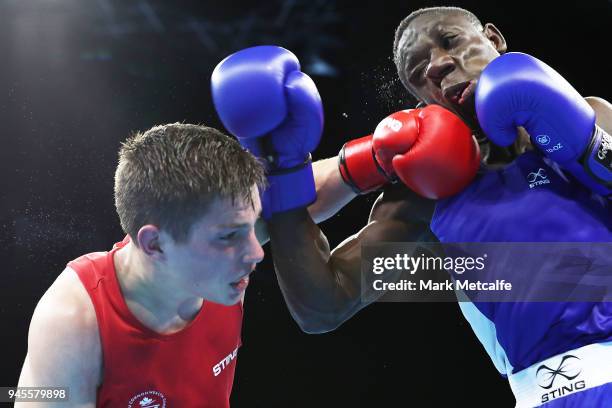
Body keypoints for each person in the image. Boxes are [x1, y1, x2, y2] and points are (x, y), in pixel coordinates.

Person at [211, 6, 612, 407]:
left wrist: (589, 149)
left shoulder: (593, 115)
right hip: (562, 390)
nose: (438, 65)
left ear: (494, 39)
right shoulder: (424, 195)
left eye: (450, 41)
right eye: (418, 71)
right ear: (419, 97)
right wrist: (283, 172)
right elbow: (325, 305)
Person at [16, 123, 268, 407]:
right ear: (155, 244)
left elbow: (312, 192)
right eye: (230, 235)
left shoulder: (224, 245)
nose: (257, 252)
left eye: (253, 225)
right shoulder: (71, 320)